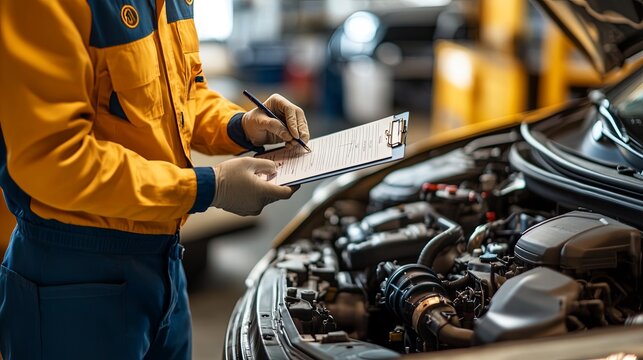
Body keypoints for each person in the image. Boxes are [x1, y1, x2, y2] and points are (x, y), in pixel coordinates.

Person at [0, 1, 309, 359]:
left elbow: (185, 94)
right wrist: (210, 186)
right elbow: (54, 158)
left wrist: (240, 125)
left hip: (164, 264)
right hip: (73, 280)